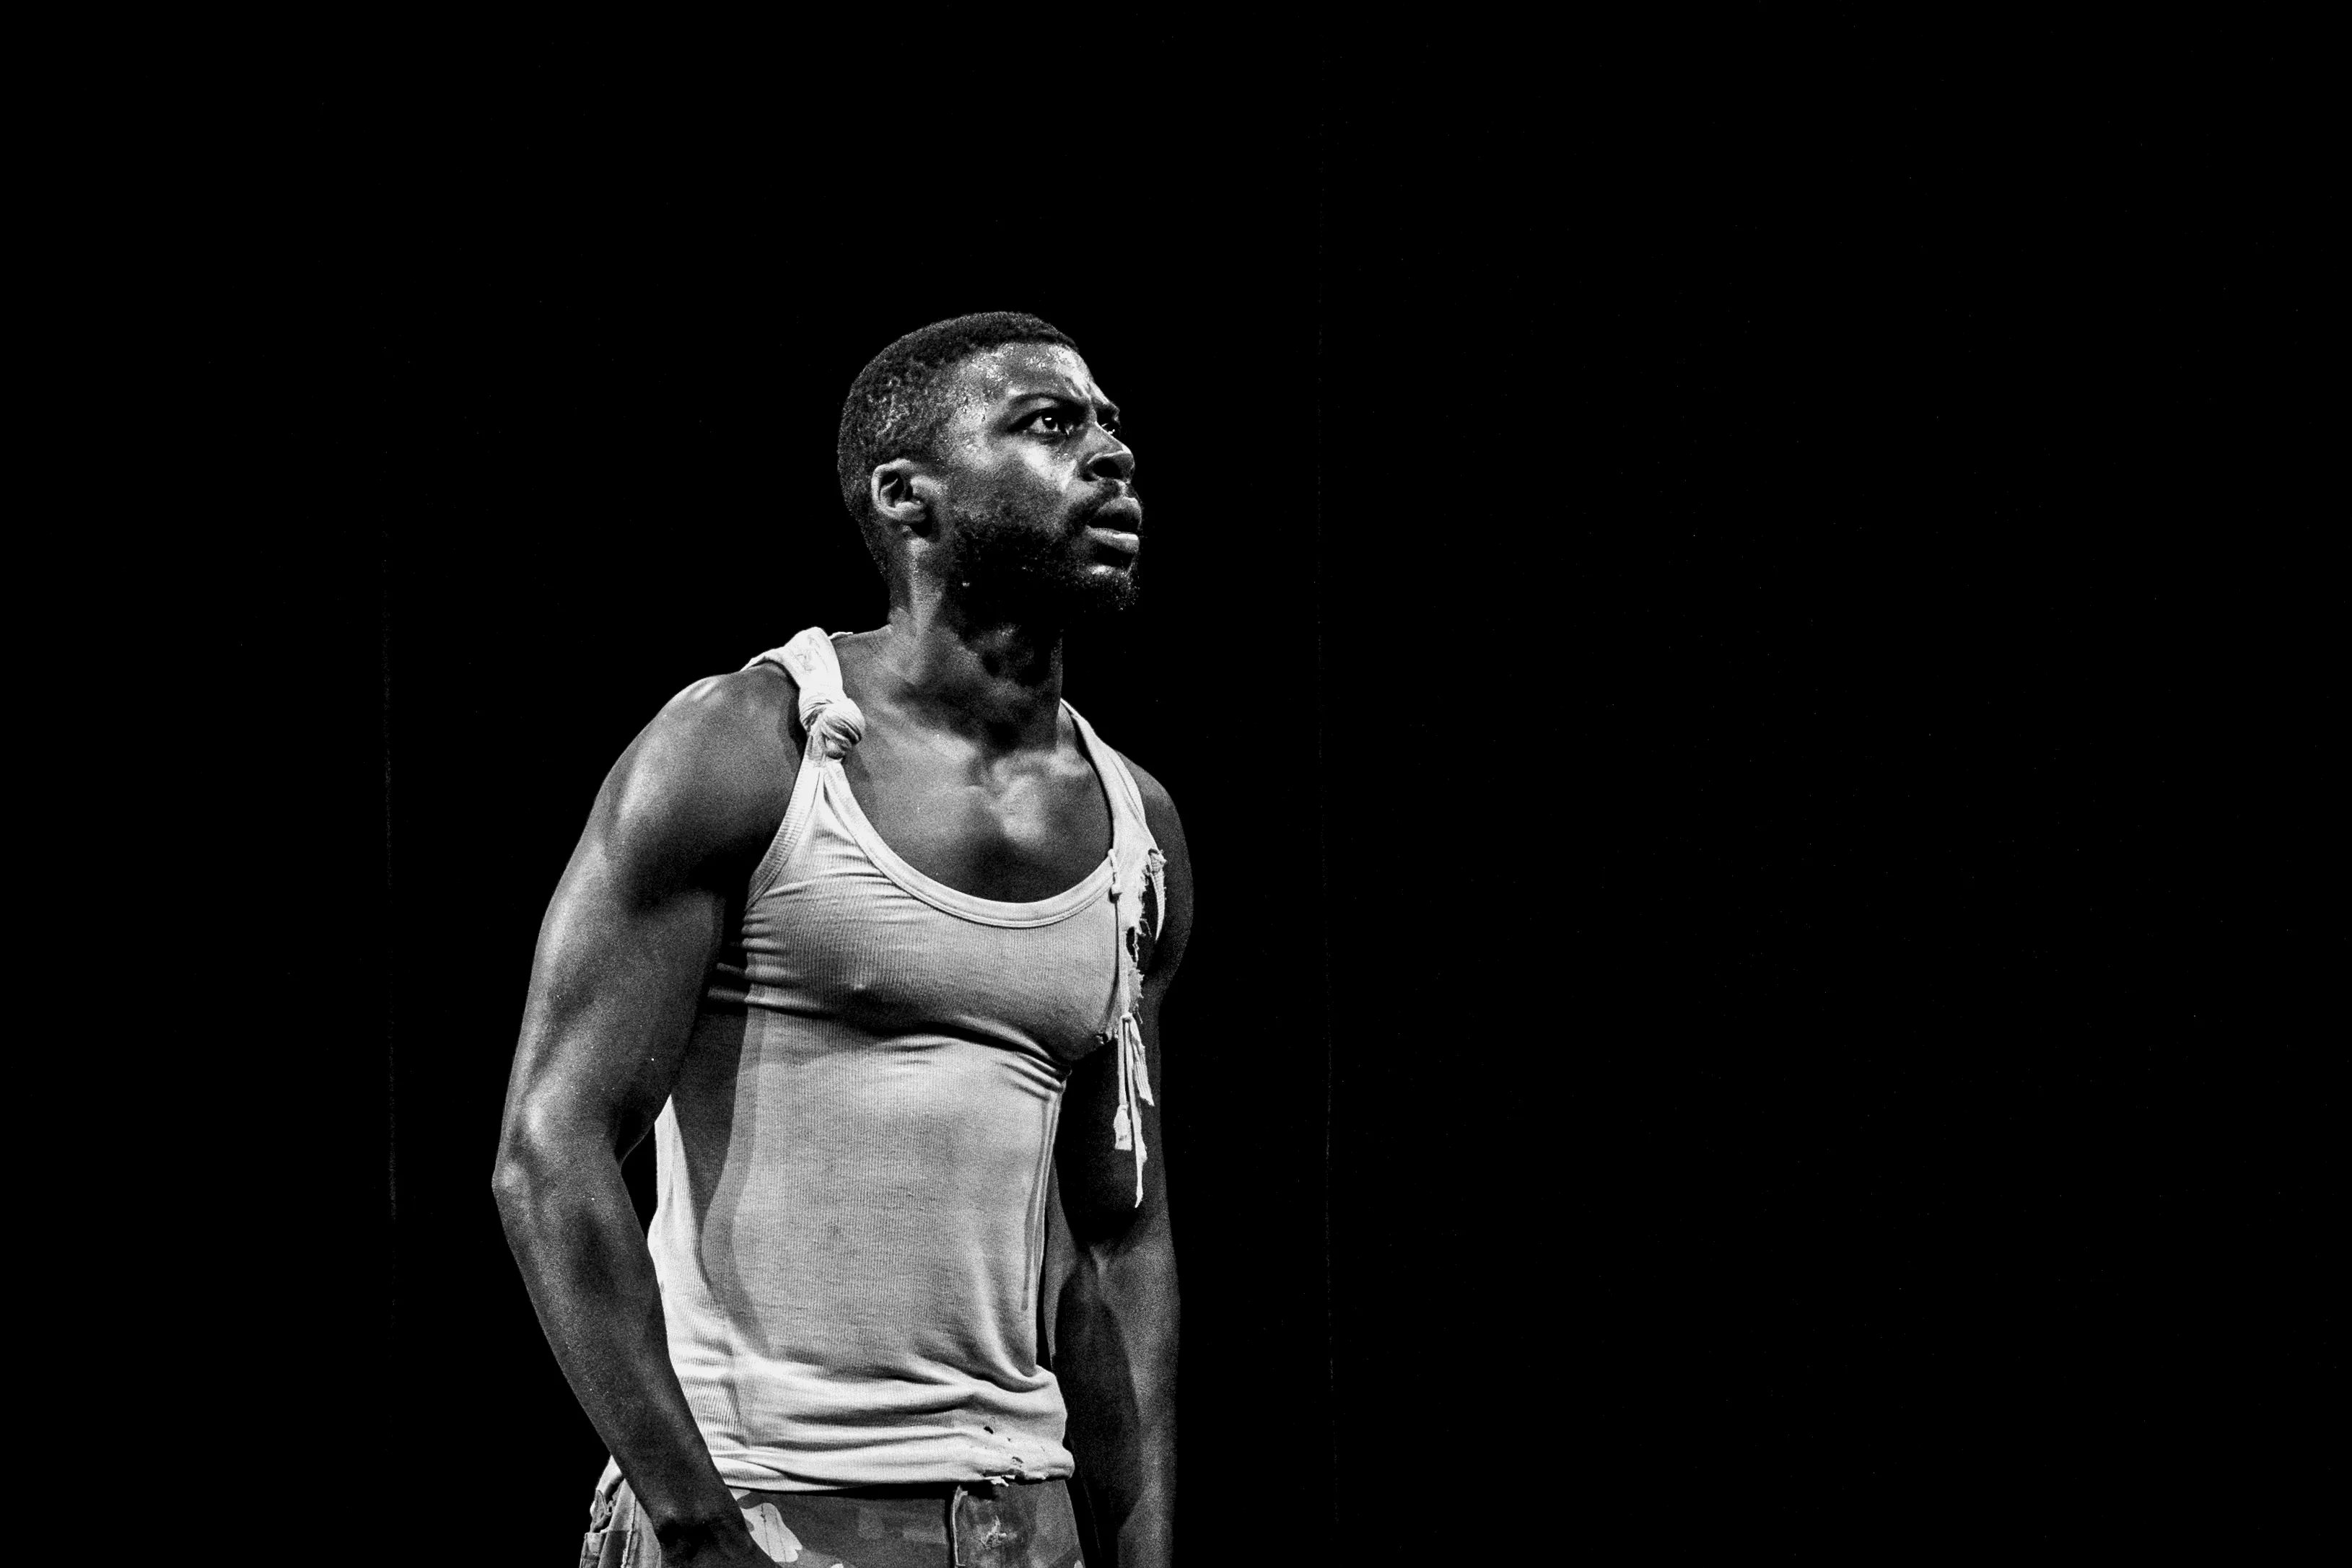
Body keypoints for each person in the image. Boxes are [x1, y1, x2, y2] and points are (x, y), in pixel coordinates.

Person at [493, 312, 1188, 1568]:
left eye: (1110, 425)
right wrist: (701, 1532)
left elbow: (1118, 1227)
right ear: (906, 497)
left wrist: (1138, 1548)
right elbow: (549, 1152)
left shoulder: (1137, 827)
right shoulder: (748, 746)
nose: (1109, 454)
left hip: (1022, 1518)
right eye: (1051, 423)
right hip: (764, 1505)